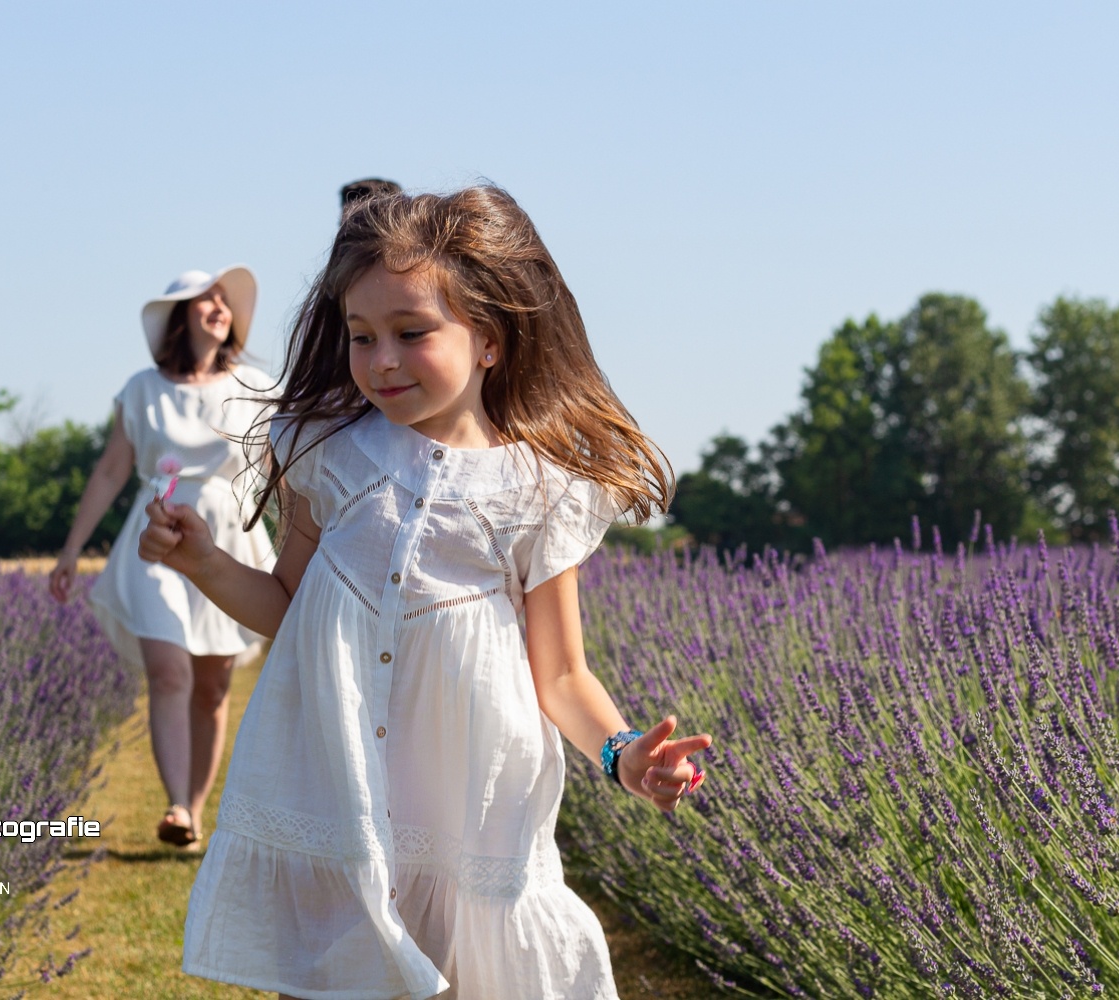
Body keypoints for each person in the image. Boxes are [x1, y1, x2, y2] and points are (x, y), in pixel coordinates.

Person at [139, 188, 711, 999]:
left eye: (412, 333)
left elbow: (561, 675)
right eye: (361, 335)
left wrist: (624, 756)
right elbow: (289, 608)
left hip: (466, 808)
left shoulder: (538, 489)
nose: (381, 360)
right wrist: (204, 564)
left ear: (489, 340)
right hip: (336, 792)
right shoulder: (327, 452)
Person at [49, 265, 276, 848]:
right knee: (170, 670)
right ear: (180, 315)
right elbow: (110, 471)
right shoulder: (141, 390)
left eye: (225, 299)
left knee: (213, 685)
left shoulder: (257, 387)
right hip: (155, 533)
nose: (219, 306)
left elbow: (280, 471)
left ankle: (193, 813)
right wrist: (71, 550)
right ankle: (175, 802)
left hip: (227, 535)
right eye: (206, 298)